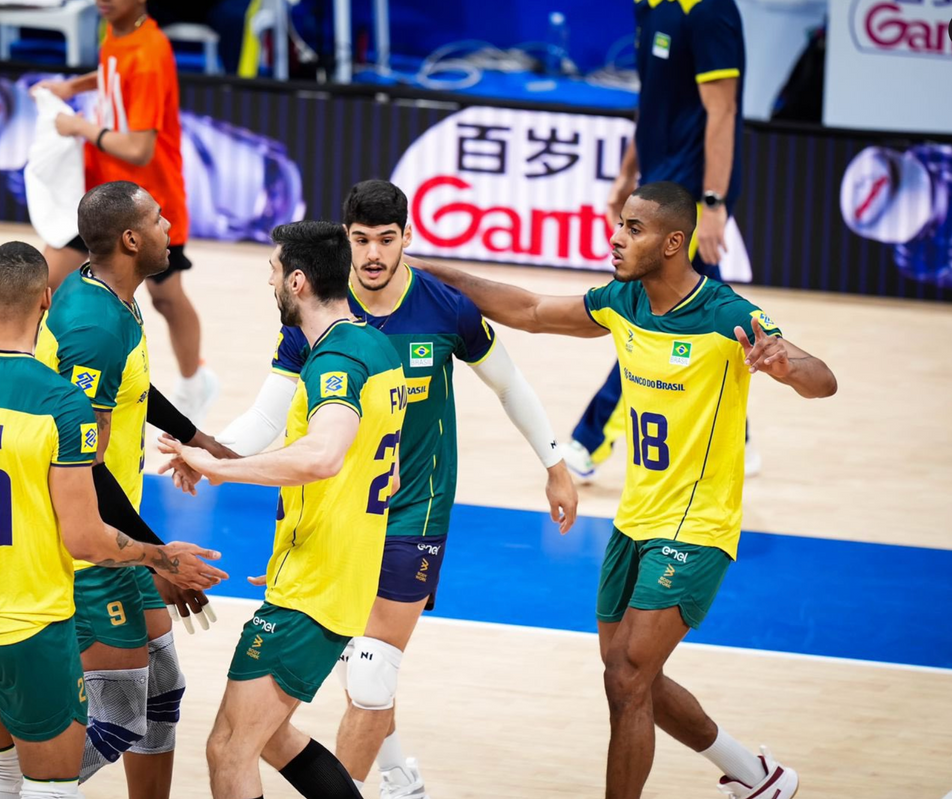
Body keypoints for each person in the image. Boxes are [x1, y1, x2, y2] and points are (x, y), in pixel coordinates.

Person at [416, 182, 837, 799]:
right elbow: (530, 309)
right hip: (635, 519)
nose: (616, 237)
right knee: (629, 675)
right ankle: (755, 775)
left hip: (698, 526)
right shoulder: (624, 302)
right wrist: (429, 271)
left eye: (633, 229)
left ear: (673, 242)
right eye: (620, 225)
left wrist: (785, 366)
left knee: (629, 676)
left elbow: (822, 380)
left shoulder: (726, 315)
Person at [214, 179, 578, 797]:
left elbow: (509, 384)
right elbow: (269, 417)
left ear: (407, 237)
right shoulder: (319, 311)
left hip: (416, 507)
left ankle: (374, 780)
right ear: (345, 240)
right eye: (361, 240)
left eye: (387, 239)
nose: (374, 254)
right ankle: (399, 774)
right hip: (336, 516)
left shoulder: (444, 306)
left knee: (372, 672)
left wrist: (555, 463)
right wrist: (209, 452)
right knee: (320, 690)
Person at [0, 241, 224, 799]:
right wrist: (160, 555)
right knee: (51, 783)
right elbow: (86, 538)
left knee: (3, 767)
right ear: (46, 300)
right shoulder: (62, 404)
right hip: (30, 626)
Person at [159, 220, 407, 799]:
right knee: (270, 738)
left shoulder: (337, 362)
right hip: (330, 569)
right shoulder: (375, 345)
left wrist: (218, 467)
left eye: (272, 271)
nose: (269, 280)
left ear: (297, 281)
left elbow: (322, 458)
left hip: (317, 586)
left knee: (228, 749)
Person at [35, 182, 220, 798]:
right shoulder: (92, 327)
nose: (172, 225)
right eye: (160, 218)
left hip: (120, 525)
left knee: (163, 692)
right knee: (115, 724)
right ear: (132, 239)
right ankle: (17, 789)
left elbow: (132, 389)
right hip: (88, 537)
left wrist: (198, 437)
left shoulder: (113, 296)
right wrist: (160, 554)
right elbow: (80, 466)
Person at [563, 0, 754, 481]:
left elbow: (722, 110)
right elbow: (653, 101)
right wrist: (629, 174)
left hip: (687, 196)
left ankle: (591, 440)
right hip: (658, 181)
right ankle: (738, 432)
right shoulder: (650, 7)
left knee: (648, 318)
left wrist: (711, 202)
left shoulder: (708, 12)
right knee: (705, 310)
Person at [33, 0, 219, 426]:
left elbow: (139, 148)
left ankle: (195, 383)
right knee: (41, 282)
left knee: (166, 298)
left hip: (145, 200)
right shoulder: (116, 31)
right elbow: (115, 76)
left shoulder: (151, 52)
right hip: (98, 194)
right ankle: (36, 382)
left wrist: (80, 126)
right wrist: (71, 88)